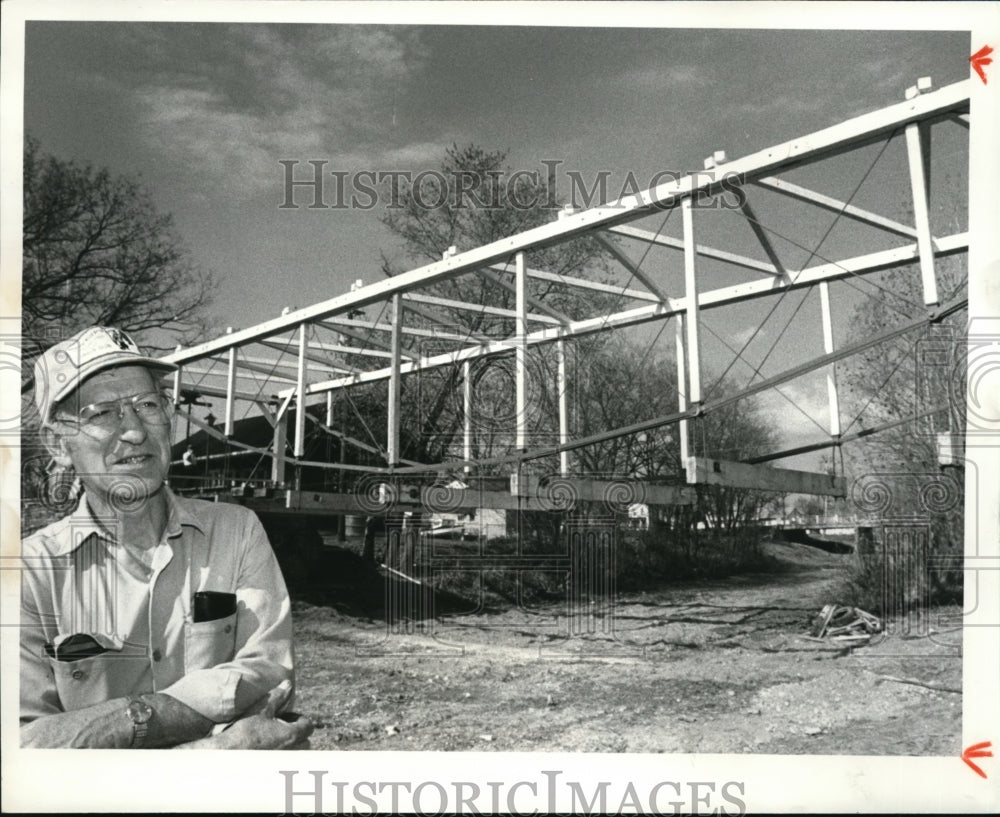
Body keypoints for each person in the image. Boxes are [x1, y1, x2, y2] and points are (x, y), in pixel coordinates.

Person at [20, 326, 312, 749]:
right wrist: (202, 751)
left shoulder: (236, 532)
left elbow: (269, 678)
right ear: (58, 445)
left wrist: (105, 729)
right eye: (101, 412)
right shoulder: (31, 574)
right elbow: (27, 751)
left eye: (148, 405)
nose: (135, 430)